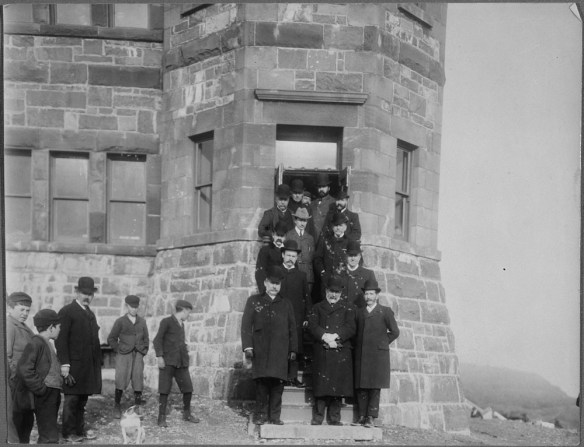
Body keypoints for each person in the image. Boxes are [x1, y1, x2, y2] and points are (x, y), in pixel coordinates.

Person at [241, 266, 298, 425]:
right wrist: (248, 347)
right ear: (265, 283)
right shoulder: (254, 301)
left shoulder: (286, 304)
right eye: (272, 283)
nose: (274, 287)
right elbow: (246, 325)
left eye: (277, 284)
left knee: (277, 386)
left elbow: (292, 327)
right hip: (261, 350)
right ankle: (260, 415)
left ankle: (274, 416)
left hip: (280, 351)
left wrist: (293, 349)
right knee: (262, 386)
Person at [55, 277, 101, 442]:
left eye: (90, 294)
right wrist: (65, 363)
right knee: (71, 400)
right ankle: (68, 433)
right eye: (84, 293)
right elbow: (61, 340)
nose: (87, 297)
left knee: (82, 400)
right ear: (77, 292)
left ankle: (79, 430)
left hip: (87, 367)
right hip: (73, 366)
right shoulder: (67, 311)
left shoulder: (90, 313)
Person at [307, 275, 356, 426]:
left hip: (340, 351)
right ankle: (318, 416)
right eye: (331, 291)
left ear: (341, 293)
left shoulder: (349, 308)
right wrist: (324, 336)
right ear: (326, 291)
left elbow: (351, 327)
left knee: (338, 385)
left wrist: (336, 336)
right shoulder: (317, 307)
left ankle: (335, 417)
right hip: (323, 349)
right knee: (321, 385)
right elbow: (312, 326)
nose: (333, 295)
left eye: (337, 292)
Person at [353, 279, 400, 427]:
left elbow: (395, 332)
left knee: (374, 386)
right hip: (362, 354)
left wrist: (382, 344)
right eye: (366, 294)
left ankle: (371, 417)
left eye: (371, 294)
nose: (368, 297)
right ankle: (361, 416)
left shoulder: (385, 311)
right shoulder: (359, 312)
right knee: (361, 386)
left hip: (377, 356)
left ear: (377, 295)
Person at [16, 309, 63, 444]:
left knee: (49, 429)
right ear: (51, 327)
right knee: (49, 435)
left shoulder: (46, 343)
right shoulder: (36, 343)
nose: (60, 330)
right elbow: (24, 369)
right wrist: (41, 388)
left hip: (52, 392)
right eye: (59, 327)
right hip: (45, 393)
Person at [153, 299, 200, 427]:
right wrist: (159, 357)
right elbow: (157, 340)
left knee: (188, 388)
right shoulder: (166, 322)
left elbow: (177, 341)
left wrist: (185, 347)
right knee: (164, 390)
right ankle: (161, 417)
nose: (188, 315)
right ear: (183, 310)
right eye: (188, 312)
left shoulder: (182, 324)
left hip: (181, 362)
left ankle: (187, 414)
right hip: (167, 362)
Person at [107, 295, 150, 419]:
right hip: (124, 355)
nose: (134, 310)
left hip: (138, 354)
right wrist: (119, 350)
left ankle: (137, 408)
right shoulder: (120, 321)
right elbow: (111, 338)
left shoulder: (142, 322)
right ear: (127, 306)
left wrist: (144, 350)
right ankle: (117, 406)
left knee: (138, 379)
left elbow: (146, 338)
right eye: (132, 307)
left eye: (136, 307)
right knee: (121, 378)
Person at [279, 240, 310, 388]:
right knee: (280, 345)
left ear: (297, 258)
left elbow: (306, 297)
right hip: (279, 316)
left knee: (295, 347)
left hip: (296, 316)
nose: (291, 258)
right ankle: (280, 375)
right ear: (283, 255)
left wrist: (306, 317)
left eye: (293, 256)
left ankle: (292, 377)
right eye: (288, 255)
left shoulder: (301, 276)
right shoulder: (276, 272)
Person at [6, 292, 35, 444]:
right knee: (17, 419)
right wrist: (14, 378)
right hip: (16, 382)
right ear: (10, 308)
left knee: (27, 418)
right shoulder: (9, 326)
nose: (25, 313)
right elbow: (6, 355)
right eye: (21, 309)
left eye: (27, 310)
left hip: (26, 382)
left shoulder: (22, 326)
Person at [313, 212, 351, 300]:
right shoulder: (325, 240)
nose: (338, 228)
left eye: (340, 225)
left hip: (343, 282)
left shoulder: (349, 242)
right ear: (332, 226)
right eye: (336, 225)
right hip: (327, 281)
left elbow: (356, 261)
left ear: (345, 227)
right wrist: (322, 272)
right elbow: (317, 258)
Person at [285, 207, 315, 295]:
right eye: (300, 220)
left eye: (305, 221)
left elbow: (312, 256)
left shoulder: (310, 238)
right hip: (293, 273)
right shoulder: (289, 235)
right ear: (295, 220)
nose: (302, 223)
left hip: (307, 275)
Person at [340, 241, 376, 308]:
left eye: (355, 255)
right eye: (350, 255)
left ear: (359, 257)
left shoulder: (368, 274)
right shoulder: (339, 273)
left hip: (360, 315)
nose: (353, 258)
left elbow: (373, 300)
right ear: (346, 256)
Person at [255, 221, 287, 294]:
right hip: (270, 290)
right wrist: (264, 291)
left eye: (281, 236)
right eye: (277, 235)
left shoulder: (288, 252)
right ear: (273, 235)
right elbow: (260, 272)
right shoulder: (265, 250)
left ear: (285, 237)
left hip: (285, 291)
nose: (279, 238)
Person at [308, 173, 336, 242]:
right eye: (319, 187)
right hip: (313, 241)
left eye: (323, 187)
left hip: (327, 241)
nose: (321, 189)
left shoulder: (334, 203)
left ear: (328, 188)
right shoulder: (312, 204)